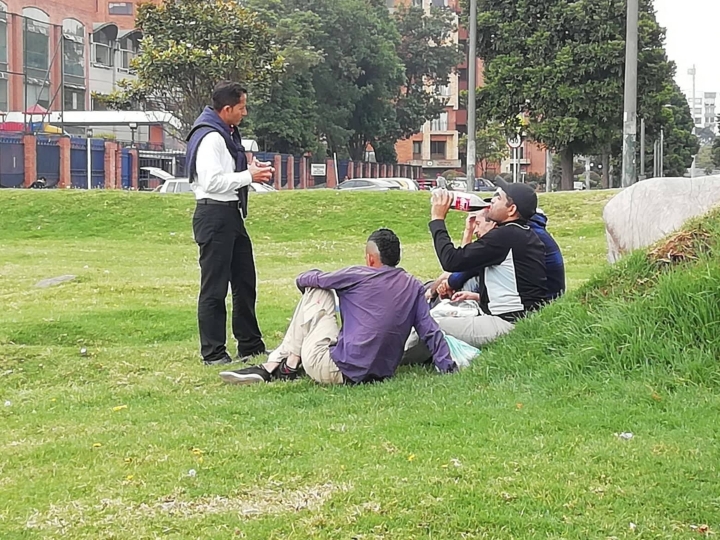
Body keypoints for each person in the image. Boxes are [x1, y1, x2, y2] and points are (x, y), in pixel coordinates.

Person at [219, 229, 457, 385]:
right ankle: (287, 362)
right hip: (380, 373)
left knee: (316, 292)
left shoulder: (357, 275)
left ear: (370, 258)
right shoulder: (414, 286)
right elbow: (430, 331)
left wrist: (317, 282)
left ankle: (276, 365)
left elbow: (306, 280)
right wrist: (448, 367)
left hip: (334, 369)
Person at [185, 81, 274, 366]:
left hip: (231, 215)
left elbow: (229, 173)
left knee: (245, 281)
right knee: (214, 288)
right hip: (214, 216)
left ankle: (250, 345)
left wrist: (250, 170)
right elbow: (211, 181)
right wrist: (249, 176)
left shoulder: (228, 134)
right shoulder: (211, 137)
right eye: (241, 108)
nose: (244, 113)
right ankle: (212, 353)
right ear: (226, 109)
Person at [415, 181, 548, 352]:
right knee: (442, 315)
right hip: (521, 319)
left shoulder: (506, 236)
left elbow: (452, 261)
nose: (491, 201)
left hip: (507, 324)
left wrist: (437, 220)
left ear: (512, 209)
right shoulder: (522, 233)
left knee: (427, 323)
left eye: (498, 197)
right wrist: (478, 297)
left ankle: (384, 359)